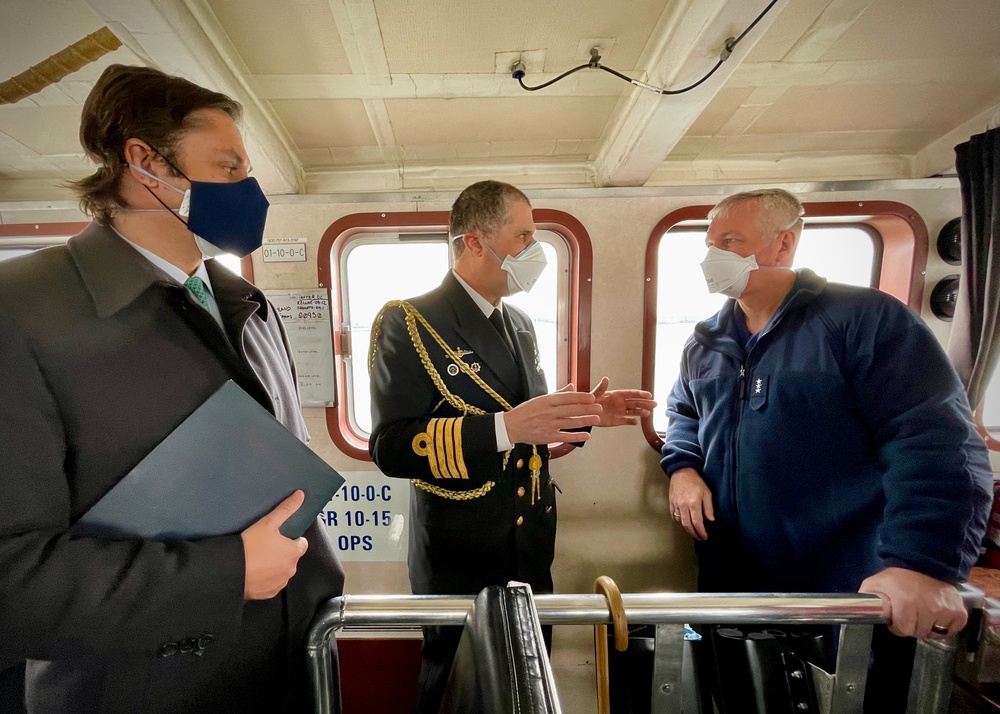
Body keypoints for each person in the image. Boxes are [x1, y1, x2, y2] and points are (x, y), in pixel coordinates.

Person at [0, 65, 344, 713]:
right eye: (230, 167)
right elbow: (11, 580)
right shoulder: (21, 311)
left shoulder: (249, 306)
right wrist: (228, 574)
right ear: (146, 162)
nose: (251, 191)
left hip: (286, 672)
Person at [661, 188, 993, 710]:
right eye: (709, 244)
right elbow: (683, 412)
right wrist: (682, 468)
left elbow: (934, 440)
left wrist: (921, 564)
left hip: (845, 577)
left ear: (782, 244)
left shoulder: (864, 320)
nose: (712, 257)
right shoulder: (705, 341)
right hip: (735, 574)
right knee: (740, 695)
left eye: (729, 241)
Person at [368, 180, 655, 712]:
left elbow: (530, 433)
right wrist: (504, 428)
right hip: (460, 546)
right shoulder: (410, 320)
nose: (534, 250)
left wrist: (589, 415)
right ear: (475, 242)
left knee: (526, 682)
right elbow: (390, 447)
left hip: (528, 540)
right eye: (523, 236)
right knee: (459, 685)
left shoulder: (520, 324)